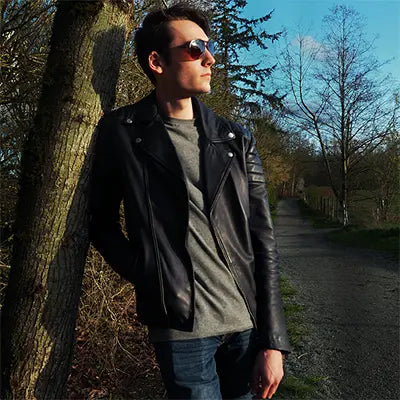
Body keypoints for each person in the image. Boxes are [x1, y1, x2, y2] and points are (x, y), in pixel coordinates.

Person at [90, 3, 291, 399]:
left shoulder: (235, 139)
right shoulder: (123, 133)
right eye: (195, 48)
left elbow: (262, 241)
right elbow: (101, 222)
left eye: (208, 47)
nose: (210, 58)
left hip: (245, 326)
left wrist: (274, 341)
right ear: (157, 62)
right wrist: (151, 273)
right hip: (182, 331)